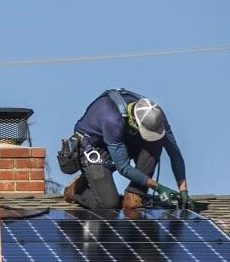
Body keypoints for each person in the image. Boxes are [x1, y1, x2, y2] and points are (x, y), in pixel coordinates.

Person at [63, 88, 192, 213]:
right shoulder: (111, 119)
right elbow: (123, 167)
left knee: (157, 141)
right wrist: (158, 187)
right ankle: (76, 191)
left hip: (120, 139)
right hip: (93, 148)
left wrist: (183, 191)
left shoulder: (155, 114)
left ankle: (135, 194)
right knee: (109, 205)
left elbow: (174, 152)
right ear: (135, 122)